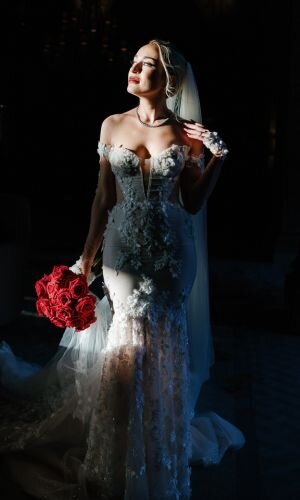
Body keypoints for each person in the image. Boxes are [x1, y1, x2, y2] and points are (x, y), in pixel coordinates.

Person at [0, 39, 245, 499]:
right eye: (133, 61)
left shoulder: (185, 135)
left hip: (171, 253)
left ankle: (155, 453)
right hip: (122, 249)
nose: (134, 69)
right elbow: (102, 198)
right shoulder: (111, 125)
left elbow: (191, 203)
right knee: (126, 344)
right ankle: (117, 457)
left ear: (168, 79)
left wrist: (217, 159)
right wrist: (86, 260)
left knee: (161, 345)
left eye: (147, 64)